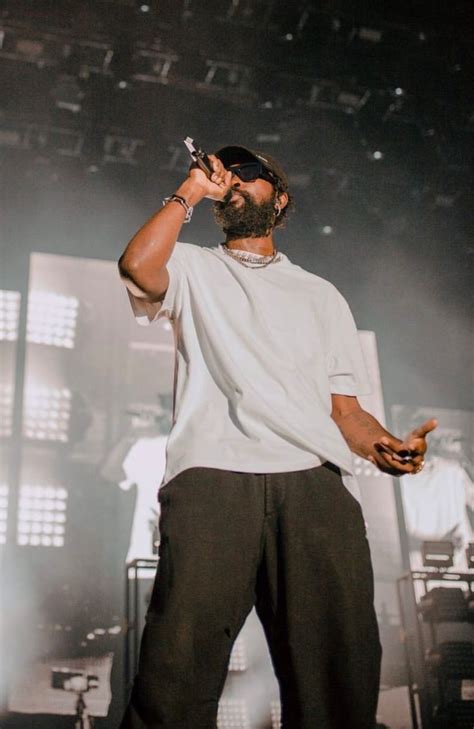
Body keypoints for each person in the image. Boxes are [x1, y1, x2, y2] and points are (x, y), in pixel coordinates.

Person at [117, 145, 437, 729]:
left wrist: (385, 444)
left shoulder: (321, 295)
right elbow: (138, 266)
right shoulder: (193, 267)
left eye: (248, 175)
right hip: (213, 478)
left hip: (314, 485)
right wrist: (191, 190)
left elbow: (346, 412)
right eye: (225, 176)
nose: (232, 182)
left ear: (280, 198)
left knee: (338, 671)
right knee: (176, 671)